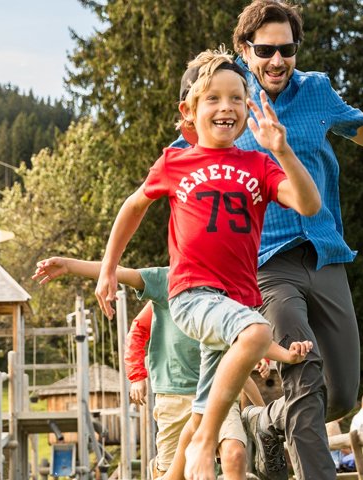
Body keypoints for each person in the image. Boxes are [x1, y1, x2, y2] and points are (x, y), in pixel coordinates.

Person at [184, 2, 363, 479]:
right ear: (244, 50)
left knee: (340, 392)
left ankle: (267, 421)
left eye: (286, 49)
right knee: (304, 371)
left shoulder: (316, 90)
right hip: (266, 262)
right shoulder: (231, 96)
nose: (277, 61)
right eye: (265, 50)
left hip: (324, 253)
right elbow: (195, 151)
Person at [93, 48, 322, 480]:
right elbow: (134, 206)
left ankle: (178, 465)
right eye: (213, 98)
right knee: (256, 333)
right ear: (189, 110)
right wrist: (108, 267)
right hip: (193, 294)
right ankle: (203, 441)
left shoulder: (259, 164)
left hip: (237, 300)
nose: (226, 107)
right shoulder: (176, 162)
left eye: (237, 98)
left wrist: (284, 150)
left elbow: (309, 205)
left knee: (202, 408)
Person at [33, 259, 266, 480]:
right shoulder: (169, 282)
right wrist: (136, 375)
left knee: (234, 454)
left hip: (216, 391)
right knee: (174, 471)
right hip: (174, 393)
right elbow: (135, 322)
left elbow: (244, 330)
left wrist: (260, 354)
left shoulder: (229, 284)